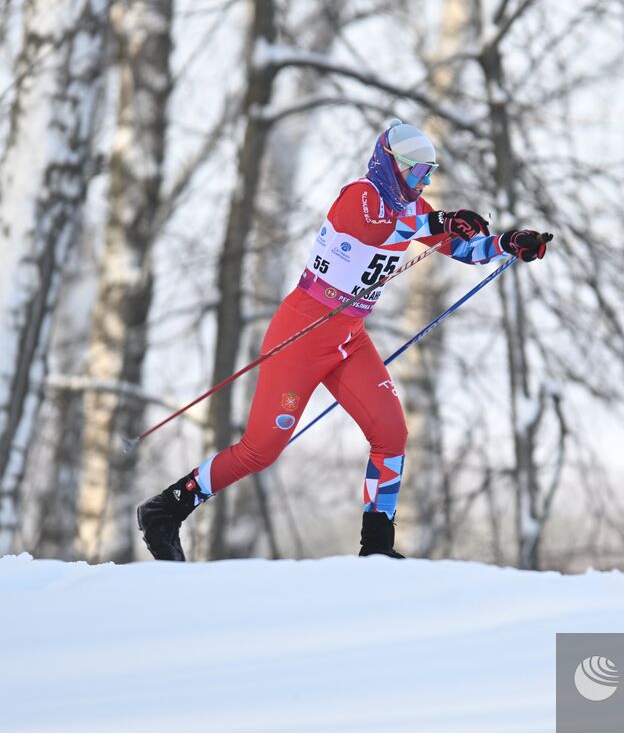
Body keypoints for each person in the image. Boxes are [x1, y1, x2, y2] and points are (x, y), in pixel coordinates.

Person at [136, 120, 553, 560]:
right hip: (301, 333)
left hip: (348, 338)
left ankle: (376, 548)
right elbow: (378, 231)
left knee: (391, 431)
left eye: (428, 174)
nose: (423, 182)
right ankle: (165, 511)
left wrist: (508, 242)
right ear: (391, 165)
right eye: (417, 172)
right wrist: (442, 219)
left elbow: (463, 248)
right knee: (260, 451)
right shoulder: (360, 197)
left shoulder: (414, 209)